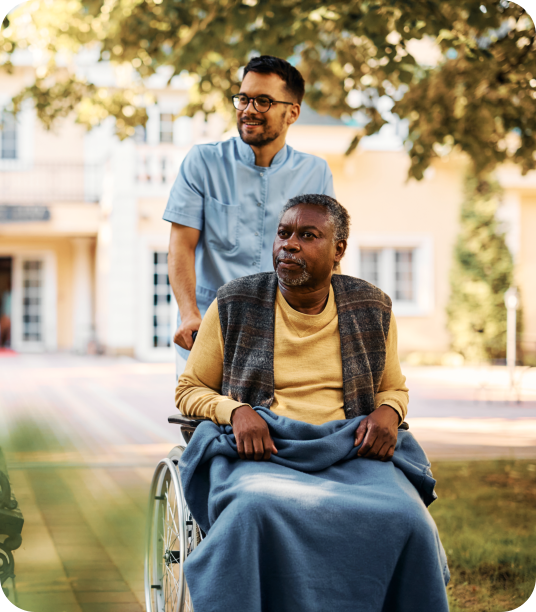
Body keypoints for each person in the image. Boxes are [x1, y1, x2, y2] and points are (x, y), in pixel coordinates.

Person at [176, 195, 449, 612]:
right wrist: (235, 411)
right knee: (253, 508)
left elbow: (393, 388)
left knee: (408, 519)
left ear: (338, 249)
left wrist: (388, 412)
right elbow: (189, 388)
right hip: (262, 451)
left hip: (349, 448)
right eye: (284, 233)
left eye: (308, 235)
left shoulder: (372, 307)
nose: (289, 244)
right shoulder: (235, 302)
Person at [162, 56, 335, 364]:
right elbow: (180, 246)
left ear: (292, 112)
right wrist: (190, 314)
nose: (249, 109)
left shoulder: (316, 172)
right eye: (243, 98)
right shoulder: (202, 163)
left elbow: (324, 259)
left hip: (283, 333)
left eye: (263, 101)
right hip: (207, 330)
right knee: (208, 413)